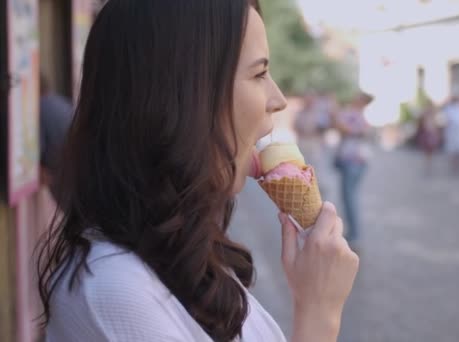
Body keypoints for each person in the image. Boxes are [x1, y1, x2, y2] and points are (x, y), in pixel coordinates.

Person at [36, 1, 359, 342]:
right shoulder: (114, 289)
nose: (277, 98)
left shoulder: (182, 254)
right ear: (183, 97)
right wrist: (318, 314)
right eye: (259, 74)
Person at [333, 93, 372, 244]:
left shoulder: (354, 115)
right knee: (349, 198)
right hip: (356, 161)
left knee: (350, 199)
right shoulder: (361, 116)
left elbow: (342, 127)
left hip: (351, 161)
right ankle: (352, 233)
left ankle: (354, 235)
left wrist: (335, 110)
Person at [39, 75, 74, 202]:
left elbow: (32, 163)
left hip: (61, 180)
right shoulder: (63, 103)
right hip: (75, 176)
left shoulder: (38, 110)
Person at [441, 95, 459, 176]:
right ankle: (453, 166)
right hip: (451, 132)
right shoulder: (449, 108)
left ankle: (458, 165)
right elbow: (446, 120)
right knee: (452, 150)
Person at [415, 105, 440, 175]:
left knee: (430, 152)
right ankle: (427, 165)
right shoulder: (426, 118)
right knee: (427, 152)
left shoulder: (433, 118)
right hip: (427, 136)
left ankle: (429, 165)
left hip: (431, 135)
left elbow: (435, 128)